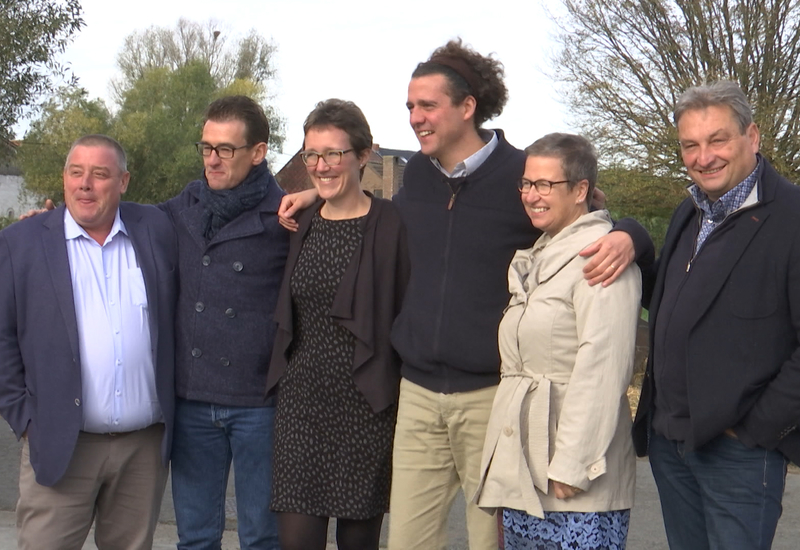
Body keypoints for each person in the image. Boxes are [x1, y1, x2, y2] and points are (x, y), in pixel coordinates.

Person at [279, 39, 653, 550]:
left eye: (427, 105)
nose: (415, 117)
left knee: (488, 542)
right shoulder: (414, 189)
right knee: (407, 542)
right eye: (410, 106)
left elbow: (588, 216)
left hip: (491, 398)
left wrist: (635, 234)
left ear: (467, 107)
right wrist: (313, 193)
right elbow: (361, 210)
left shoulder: (523, 180)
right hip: (417, 395)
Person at [632, 81, 800, 549]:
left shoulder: (792, 219)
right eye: (691, 145)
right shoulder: (691, 211)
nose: (703, 156)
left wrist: (759, 430)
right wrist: (629, 234)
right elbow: (666, 297)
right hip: (670, 443)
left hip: (738, 454)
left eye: (717, 140)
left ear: (753, 138)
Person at [0, 134, 177, 549]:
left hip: (142, 451)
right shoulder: (21, 243)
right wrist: (23, 416)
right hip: (62, 445)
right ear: (63, 179)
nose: (85, 184)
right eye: (76, 172)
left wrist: (317, 193)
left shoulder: (155, 230)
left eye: (100, 175)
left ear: (124, 181)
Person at [473, 133, 640, 549]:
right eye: (527, 184)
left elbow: (603, 365)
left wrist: (573, 462)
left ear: (581, 189)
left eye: (545, 184)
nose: (532, 195)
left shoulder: (601, 255)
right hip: (524, 471)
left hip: (573, 480)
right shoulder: (540, 254)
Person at [266, 99, 409, 550]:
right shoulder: (300, 222)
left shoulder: (392, 224)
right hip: (301, 406)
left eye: (334, 154)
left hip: (365, 407)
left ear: (364, 155)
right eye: (312, 154)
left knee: (358, 544)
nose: (321, 166)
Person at [161, 96, 287, 550]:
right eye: (207, 147)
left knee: (261, 538)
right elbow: (125, 222)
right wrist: (50, 224)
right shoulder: (184, 207)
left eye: (226, 149)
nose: (212, 159)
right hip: (192, 397)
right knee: (194, 537)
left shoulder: (286, 215)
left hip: (259, 402)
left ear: (258, 152)